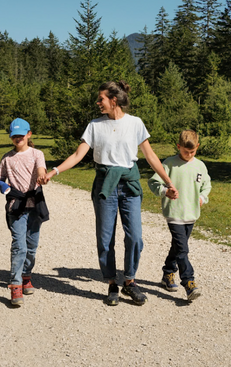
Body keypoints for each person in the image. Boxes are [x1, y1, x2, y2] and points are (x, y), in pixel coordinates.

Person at [41, 80, 178, 306]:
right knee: (105, 239)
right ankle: (112, 283)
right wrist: (53, 171)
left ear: (114, 100)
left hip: (129, 186)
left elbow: (151, 157)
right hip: (105, 187)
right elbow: (77, 155)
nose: (98, 103)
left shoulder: (135, 123)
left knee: (135, 237)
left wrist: (169, 182)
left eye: (101, 99)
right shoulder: (95, 125)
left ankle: (130, 281)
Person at [148, 130, 211, 301]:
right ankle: (189, 283)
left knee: (177, 247)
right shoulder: (169, 164)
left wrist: (202, 197)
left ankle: (168, 273)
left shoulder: (200, 166)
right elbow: (153, 182)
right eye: (185, 151)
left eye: (192, 151)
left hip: (191, 214)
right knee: (183, 249)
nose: (189, 154)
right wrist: (164, 191)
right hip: (174, 213)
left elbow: (207, 185)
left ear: (197, 147)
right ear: (178, 147)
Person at [0, 117, 48, 307]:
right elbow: (0, 179)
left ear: (29, 134)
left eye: (21, 135)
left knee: (32, 246)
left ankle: (26, 275)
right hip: (16, 206)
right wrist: (3, 187)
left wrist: (42, 176)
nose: (18, 138)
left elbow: (41, 169)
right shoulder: (7, 158)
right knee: (19, 245)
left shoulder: (37, 154)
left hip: (35, 204)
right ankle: (16, 284)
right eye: (14, 136)